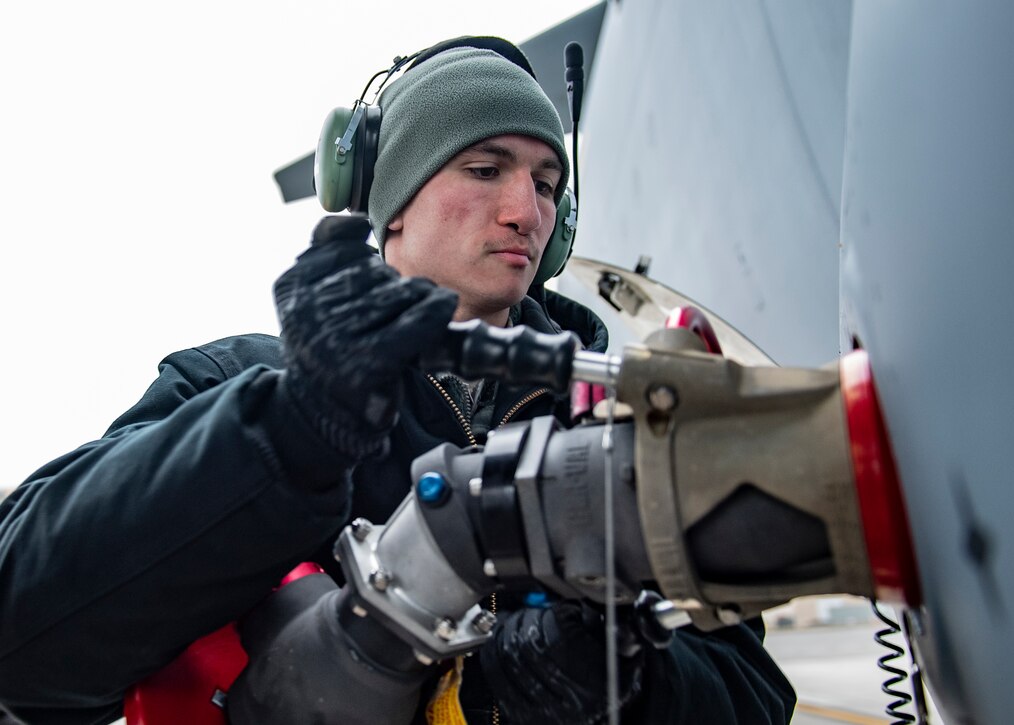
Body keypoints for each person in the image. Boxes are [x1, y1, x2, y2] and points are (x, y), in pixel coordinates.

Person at [0, 36, 795, 725]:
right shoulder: (234, 387)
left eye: (548, 184)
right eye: (486, 169)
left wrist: (631, 683)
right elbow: (23, 631)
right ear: (390, 205)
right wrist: (287, 435)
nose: (526, 209)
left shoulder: (622, 431)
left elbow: (753, 693)